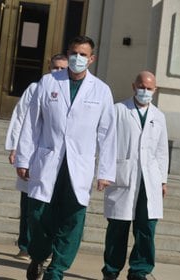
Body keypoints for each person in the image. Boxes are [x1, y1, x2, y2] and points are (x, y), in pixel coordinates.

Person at [15, 35, 117, 280]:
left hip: (78, 165)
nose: (77, 58)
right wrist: (23, 158)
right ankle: (39, 256)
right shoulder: (49, 81)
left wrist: (105, 171)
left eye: (83, 54)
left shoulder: (101, 90)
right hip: (48, 160)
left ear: (92, 59)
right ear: (67, 53)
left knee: (72, 220)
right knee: (38, 215)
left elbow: (107, 132)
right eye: (74, 52)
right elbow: (31, 123)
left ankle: (56, 269)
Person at [101, 71, 169, 280]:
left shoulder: (158, 116)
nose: (145, 91)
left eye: (149, 88)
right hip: (123, 177)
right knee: (118, 229)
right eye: (142, 87)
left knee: (146, 228)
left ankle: (140, 270)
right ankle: (111, 271)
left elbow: (161, 150)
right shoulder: (118, 110)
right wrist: (104, 172)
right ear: (133, 86)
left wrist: (163, 180)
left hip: (150, 180)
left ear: (155, 90)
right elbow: (107, 143)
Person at [5, 54, 68, 260]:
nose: (58, 71)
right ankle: (25, 244)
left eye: (62, 68)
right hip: (33, 153)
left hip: (58, 156)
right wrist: (15, 147)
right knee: (29, 203)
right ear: (49, 67)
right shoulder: (36, 87)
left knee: (53, 205)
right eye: (55, 67)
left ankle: (47, 247)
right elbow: (21, 118)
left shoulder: (70, 92)